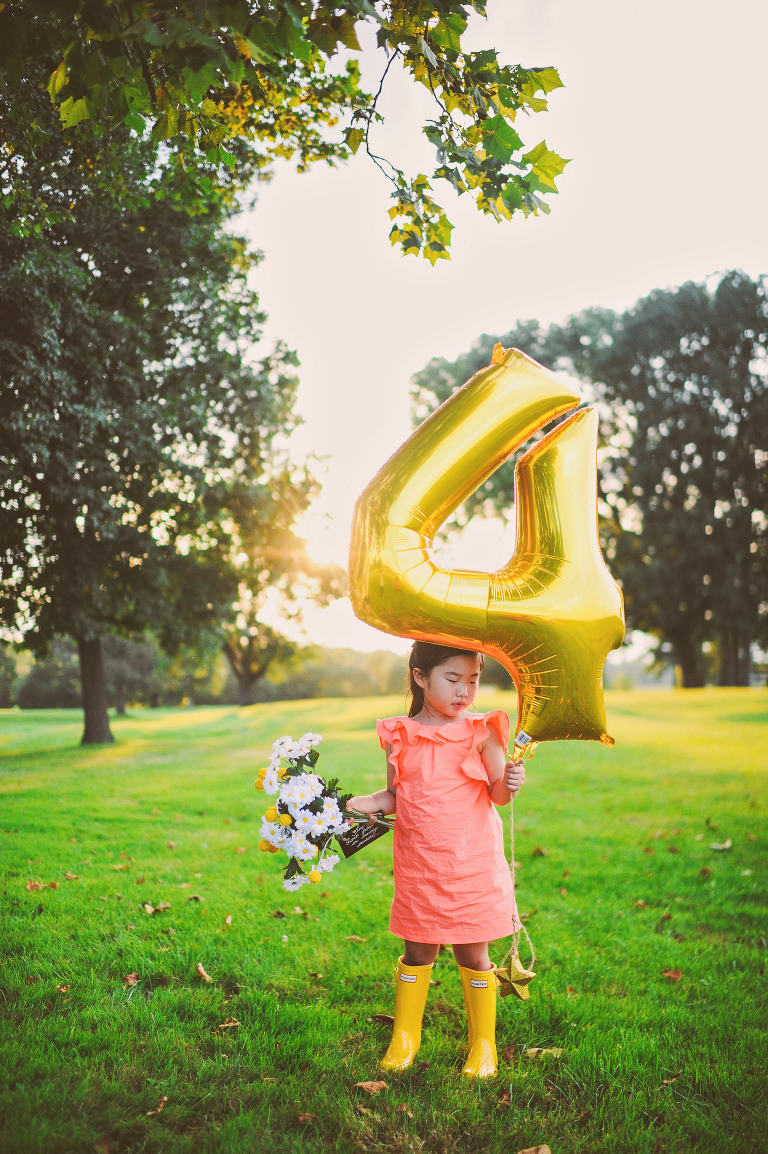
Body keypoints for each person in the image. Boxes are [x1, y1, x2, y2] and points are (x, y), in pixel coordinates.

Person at [348, 640, 525, 1078]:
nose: (465, 691)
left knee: (473, 950)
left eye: (473, 680)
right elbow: (393, 793)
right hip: (421, 863)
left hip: (471, 862)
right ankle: (405, 1037)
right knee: (418, 946)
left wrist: (512, 783)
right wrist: (356, 803)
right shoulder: (399, 734)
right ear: (420, 676)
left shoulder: (481, 730)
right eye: (453, 679)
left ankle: (483, 1044)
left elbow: (497, 793)